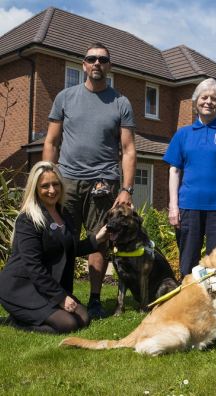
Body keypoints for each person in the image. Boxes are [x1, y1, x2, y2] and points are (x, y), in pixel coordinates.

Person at [43, 43, 136, 318]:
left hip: (103, 182)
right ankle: (64, 294)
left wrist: (126, 189)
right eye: (91, 59)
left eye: (103, 59)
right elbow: (50, 141)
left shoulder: (120, 102)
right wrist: (46, 177)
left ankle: (95, 299)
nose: (97, 63)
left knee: (101, 239)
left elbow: (129, 149)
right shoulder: (65, 97)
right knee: (63, 239)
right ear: (83, 64)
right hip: (67, 181)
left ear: (109, 66)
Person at [0, 161, 109, 333]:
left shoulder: (63, 214)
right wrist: (61, 298)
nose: (52, 190)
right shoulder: (28, 219)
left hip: (44, 284)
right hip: (20, 286)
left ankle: (25, 317)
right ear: (35, 189)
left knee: (84, 318)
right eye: (45, 186)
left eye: (55, 184)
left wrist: (98, 239)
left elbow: (68, 249)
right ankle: (16, 321)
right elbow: (33, 266)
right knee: (67, 324)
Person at [163, 78, 216, 277]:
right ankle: (187, 300)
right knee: (188, 260)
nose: (209, 101)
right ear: (196, 102)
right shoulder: (183, 134)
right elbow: (173, 172)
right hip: (188, 207)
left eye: (214, 98)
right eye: (204, 97)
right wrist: (173, 206)